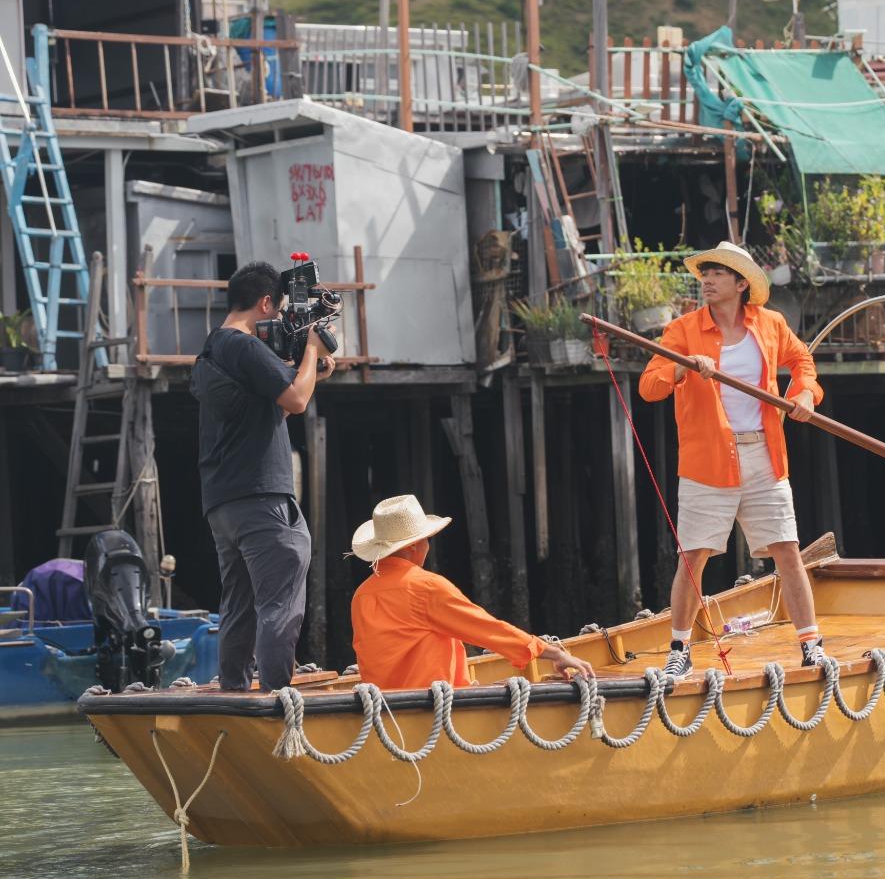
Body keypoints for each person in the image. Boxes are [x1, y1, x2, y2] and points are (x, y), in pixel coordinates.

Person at [639, 241, 826, 680]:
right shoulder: (683, 330)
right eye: (704, 273)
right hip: (708, 459)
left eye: (718, 273)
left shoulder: (770, 323)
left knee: (787, 549)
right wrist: (683, 367)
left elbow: (803, 362)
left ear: (742, 283)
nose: (707, 280)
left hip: (764, 451)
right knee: (694, 555)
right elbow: (650, 386)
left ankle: (811, 644)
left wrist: (803, 395)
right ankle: (680, 648)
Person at [192, 262, 331, 692]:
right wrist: (311, 349)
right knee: (279, 601)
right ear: (265, 302)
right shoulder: (247, 347)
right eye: (278, 311)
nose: (279, 321)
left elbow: (282, 396)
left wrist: (312, 372)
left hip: (223, 502)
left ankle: (234, 690)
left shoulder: (212, 351)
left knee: (239, 603)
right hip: (262, 498)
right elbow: (296, 400)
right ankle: (277, 700)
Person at [348, 494, 593, 689]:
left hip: (383, 713)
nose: (428, 545)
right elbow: (487, 629)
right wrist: (553, 652)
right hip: (433, 708)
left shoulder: (361, 595)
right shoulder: (426, 587)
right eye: (427, 539)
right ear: (413, 545)